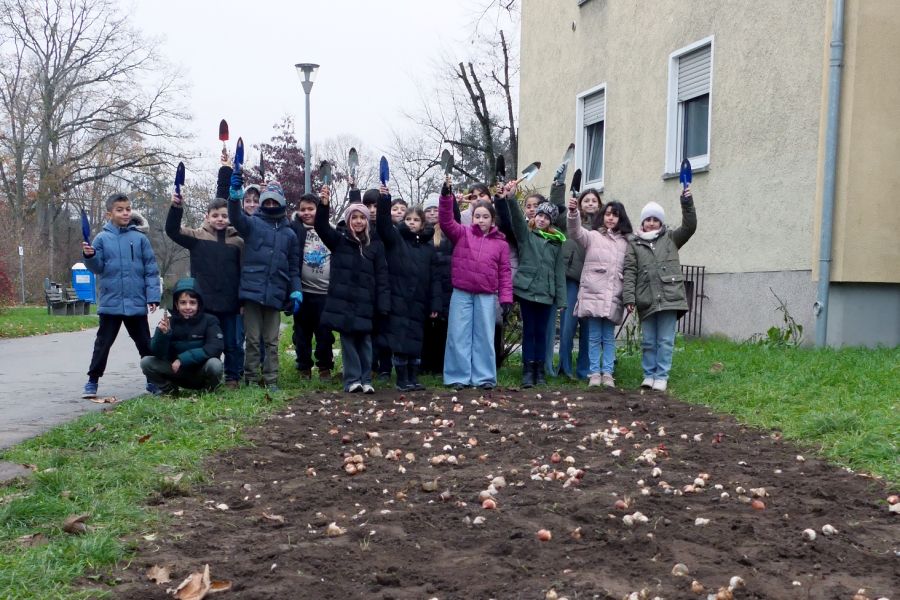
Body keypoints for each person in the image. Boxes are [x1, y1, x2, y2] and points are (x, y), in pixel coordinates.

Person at [80, 192, 161, 399]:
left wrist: (152, 296)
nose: (125, 213)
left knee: (145, 344)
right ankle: (92, 380)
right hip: (111, 304)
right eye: (120, 210)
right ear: (110, 214)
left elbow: (151, 270)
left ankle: (153, 379)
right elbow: (97, 268)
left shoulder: (140, 239)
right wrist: (89, 256)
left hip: (136, 303)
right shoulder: (101, 239)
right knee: (103, 344)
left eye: (127, 209)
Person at [227, 176, 302, 391]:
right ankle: (251, 378)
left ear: (281, 203)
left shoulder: (290, 234)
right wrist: (234, 197)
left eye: (274, 202)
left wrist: (296, 291)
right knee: (252, 339)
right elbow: (235, 216)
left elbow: (294, 267)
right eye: (267, 202)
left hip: (275, 294)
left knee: (271, 341)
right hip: (251, 292)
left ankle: (271, 380)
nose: (270, 205)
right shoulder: (252, 224)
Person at [439, 177, 512, 390]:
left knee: (484, 338)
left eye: (485, 216)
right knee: (457, 335)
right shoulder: (462, 233)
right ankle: (457, 377)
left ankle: (484, 378)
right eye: (477, 216)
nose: (481, 220)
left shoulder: (501, 243)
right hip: (461, 293)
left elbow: (505, 273)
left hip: (486, 295)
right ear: (472, 217)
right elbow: (445, 221)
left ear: (492, 219)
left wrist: (506, 298)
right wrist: (446, 196)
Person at [314, 187, 390, 393]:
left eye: (362, 218)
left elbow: (382, 275)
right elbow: (320, 226)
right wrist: (324, 205)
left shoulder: (375, 245)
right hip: (344, 303)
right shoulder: (339, 241)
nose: (358, 221)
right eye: (354, 217)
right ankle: (352, 379)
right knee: (348, 342)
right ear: (348, 221)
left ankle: (367, 379)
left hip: (366, 302)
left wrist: (383, 303)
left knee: (365, 341)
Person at [623, 186, 697, 392]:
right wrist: (629, 298)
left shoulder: (672, 239)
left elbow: (690, 226)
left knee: (665, 340)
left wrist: (686, 202)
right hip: (645, 298)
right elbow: (629, 272)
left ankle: (661, 376)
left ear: (661, 222)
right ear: (643, 222)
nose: (651, 223)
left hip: (669, 297)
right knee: (648, 340)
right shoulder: (634, 244)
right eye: (648, 219)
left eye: (655, 219)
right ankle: (649, 374)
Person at [165, 195, 244, 388]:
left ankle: (233, 377)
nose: (220, 219)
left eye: (224, 215)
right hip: (204, 304)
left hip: (231, 303)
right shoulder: (196, 237)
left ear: (230, 217)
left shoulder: (238, 241)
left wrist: (242, 301)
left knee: (232, 343)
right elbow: (172, 231)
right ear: (207, 216)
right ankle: (204, 377)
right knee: (205, 344)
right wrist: (176, 208)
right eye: (215, 215)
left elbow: (243, 271)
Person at [495, 181, 567, 388]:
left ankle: (539, 370)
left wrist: (561, 300)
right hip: (527, 292)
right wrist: (510, 197)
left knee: (542, 333)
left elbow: (559, 273)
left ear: (551, 222)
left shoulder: (556, 243)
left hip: (546, 294)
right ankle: (527, 370)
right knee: (529, 331)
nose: (542, 219)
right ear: (534, 218)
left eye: (546, 217)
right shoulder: (527, 236)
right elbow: (516, 219)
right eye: (539, 216)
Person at [376, 189, 441, 391]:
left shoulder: (429, 249)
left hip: (419, 301)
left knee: (415, 339)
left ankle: (414, 376)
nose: (412, 222)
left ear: (423, 224)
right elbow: (383, 225)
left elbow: (435, 279)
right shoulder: (396, 241)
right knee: (400, 339)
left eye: (416, 220)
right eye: (408, 219)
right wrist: (384, 200)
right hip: (398, 298)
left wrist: (435, 304)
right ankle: (401, 377)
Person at [567, 197, 632, 387]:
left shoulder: (627, 242)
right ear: (602, 216)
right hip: (593, 294)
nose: (611, 218)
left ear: (621, 219)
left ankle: (608, 374)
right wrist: (573, 213)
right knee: (594, 337)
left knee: (609, 338)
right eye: (608, 214)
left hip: (614, 295)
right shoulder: (593, 236)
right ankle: (594, 373)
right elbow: (575, 231)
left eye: (615, 215)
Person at [141, 278, 224, 394]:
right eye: (183, 303)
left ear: (198, 304)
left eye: (192, 302)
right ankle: (169, 391)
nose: (188, 307)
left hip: (200, 372)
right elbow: (157, 353)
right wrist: (163, 335)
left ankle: (209, 391)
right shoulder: (169, 322)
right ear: (176, 304)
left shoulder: (210, 321)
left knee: (215, 365)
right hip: (176, 372)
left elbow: (215, 347)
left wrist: (182, 359)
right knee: (146, 362)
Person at [558, 188, 603, 380]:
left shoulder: (604, 227)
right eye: (587, 200)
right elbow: (558, 210)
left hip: (593, 283)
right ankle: (565, 367)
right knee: (568, 326)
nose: (590, 203)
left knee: (589, 328)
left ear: (599, 205)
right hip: (572, 279)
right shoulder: (570, 220)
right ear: (580, 203)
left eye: (594, 200)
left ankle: (585, 370)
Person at [289, 193, 335, 382]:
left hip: (325, 293)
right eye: (303, 209)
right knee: (301, 333)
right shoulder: (295, 230)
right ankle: (304, 367)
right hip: (303, 292)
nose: (307, 213)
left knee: (324, 334)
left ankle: (325, 367)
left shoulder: (330, 230)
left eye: (311, 209)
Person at [421, 196, 454, 376]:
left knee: (444, 327)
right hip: (426, 285)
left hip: (447, 285)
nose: (433, 213)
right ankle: (425, 363)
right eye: (429, 210)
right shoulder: (421, 233)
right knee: (426, 326)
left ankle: (441, 365)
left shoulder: (448, 232)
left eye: (436, 209)